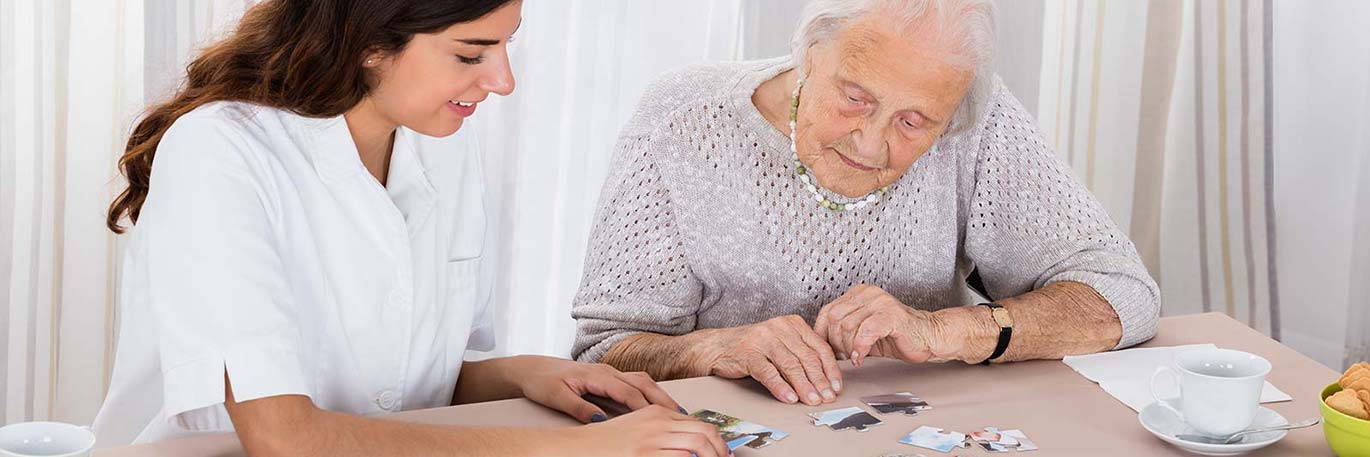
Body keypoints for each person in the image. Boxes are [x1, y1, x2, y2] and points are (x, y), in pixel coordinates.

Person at [94, 1, 728, 456]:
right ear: (369, 43)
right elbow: (282, 436)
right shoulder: (221, 150)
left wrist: (524, 374)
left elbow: (400, 382)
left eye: (507, 45)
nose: (502, 81)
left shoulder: (441, 145)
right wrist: (577, 450)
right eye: (471, 53)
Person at [571, 0, 1160, 408]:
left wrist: (943, 332)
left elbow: (1123, 295)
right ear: (808, 54)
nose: (872, 142)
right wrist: (716, 347)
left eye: (914, 121)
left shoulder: (977, 123)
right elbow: (605, 352)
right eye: (855, 98)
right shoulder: (683, 120)